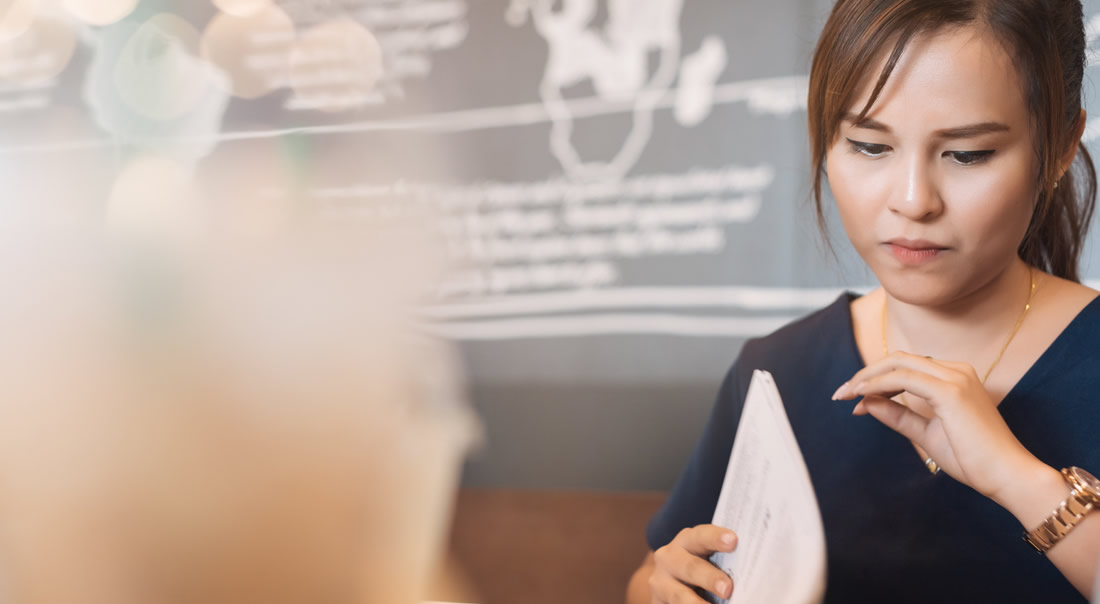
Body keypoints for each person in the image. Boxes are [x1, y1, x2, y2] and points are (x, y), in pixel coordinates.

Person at [626, 0, 1100, 602]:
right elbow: (651, 580)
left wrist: (1016, 478)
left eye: (967, 154)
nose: (913, 200)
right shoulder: (780, 368)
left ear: (1059, 148)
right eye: (870, 146)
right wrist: (663, 586)